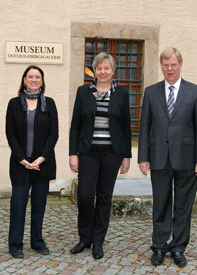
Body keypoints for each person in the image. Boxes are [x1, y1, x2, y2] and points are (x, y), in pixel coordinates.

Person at [138, 47, 197, 267]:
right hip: (158, 157)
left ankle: (178, 248)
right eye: (166, 65)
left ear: (180, 65)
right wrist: (143, 157)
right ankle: (158, 247)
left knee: (183, 206)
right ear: (161, 66)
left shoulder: (195, 92)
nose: (169, 69)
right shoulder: (151, 92)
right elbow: (144, 127)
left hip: (187, 158)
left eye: (173, 65)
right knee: (160, 204)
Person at [69, 52, 131, 260]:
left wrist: (126, 156)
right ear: (93, 70)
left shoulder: (122, 94)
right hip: (88, 152)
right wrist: (73, 153)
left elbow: (125, 127)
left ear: (113, 71)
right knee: (85, 196)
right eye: (99, 68)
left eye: (106, 68)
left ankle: (98, 241)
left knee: (104, 198)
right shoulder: (83, 92)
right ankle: (84, 238)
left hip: (112, 154)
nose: (102, 72)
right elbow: (75, 125)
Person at [5, 65, 59, 259]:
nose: (34, 80)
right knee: (18, 205)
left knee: (39, 206)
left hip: (42, 165)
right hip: (20, 165)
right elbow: (10, 134)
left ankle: (37, 242)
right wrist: (22, 159)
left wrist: (40, 158)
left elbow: (54, 134)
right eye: (31, 77)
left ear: (42, 81)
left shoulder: (50, 104)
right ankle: (15, 245)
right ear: (24, 80)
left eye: (38, 77)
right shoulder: (13, 104)